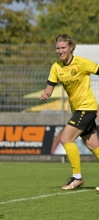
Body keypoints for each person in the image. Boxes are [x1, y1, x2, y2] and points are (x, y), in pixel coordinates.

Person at [40, 34, 99, 190]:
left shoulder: (81, 63)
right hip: (78, 110)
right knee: (93, 145)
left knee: (65, 138)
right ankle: (77, 178)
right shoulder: (56, 67)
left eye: (63, 47)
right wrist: (46, 94)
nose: (60, 51)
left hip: (87, 107)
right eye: (57, 48)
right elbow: (50, 86)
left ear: (71, 47)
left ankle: (77, 177)